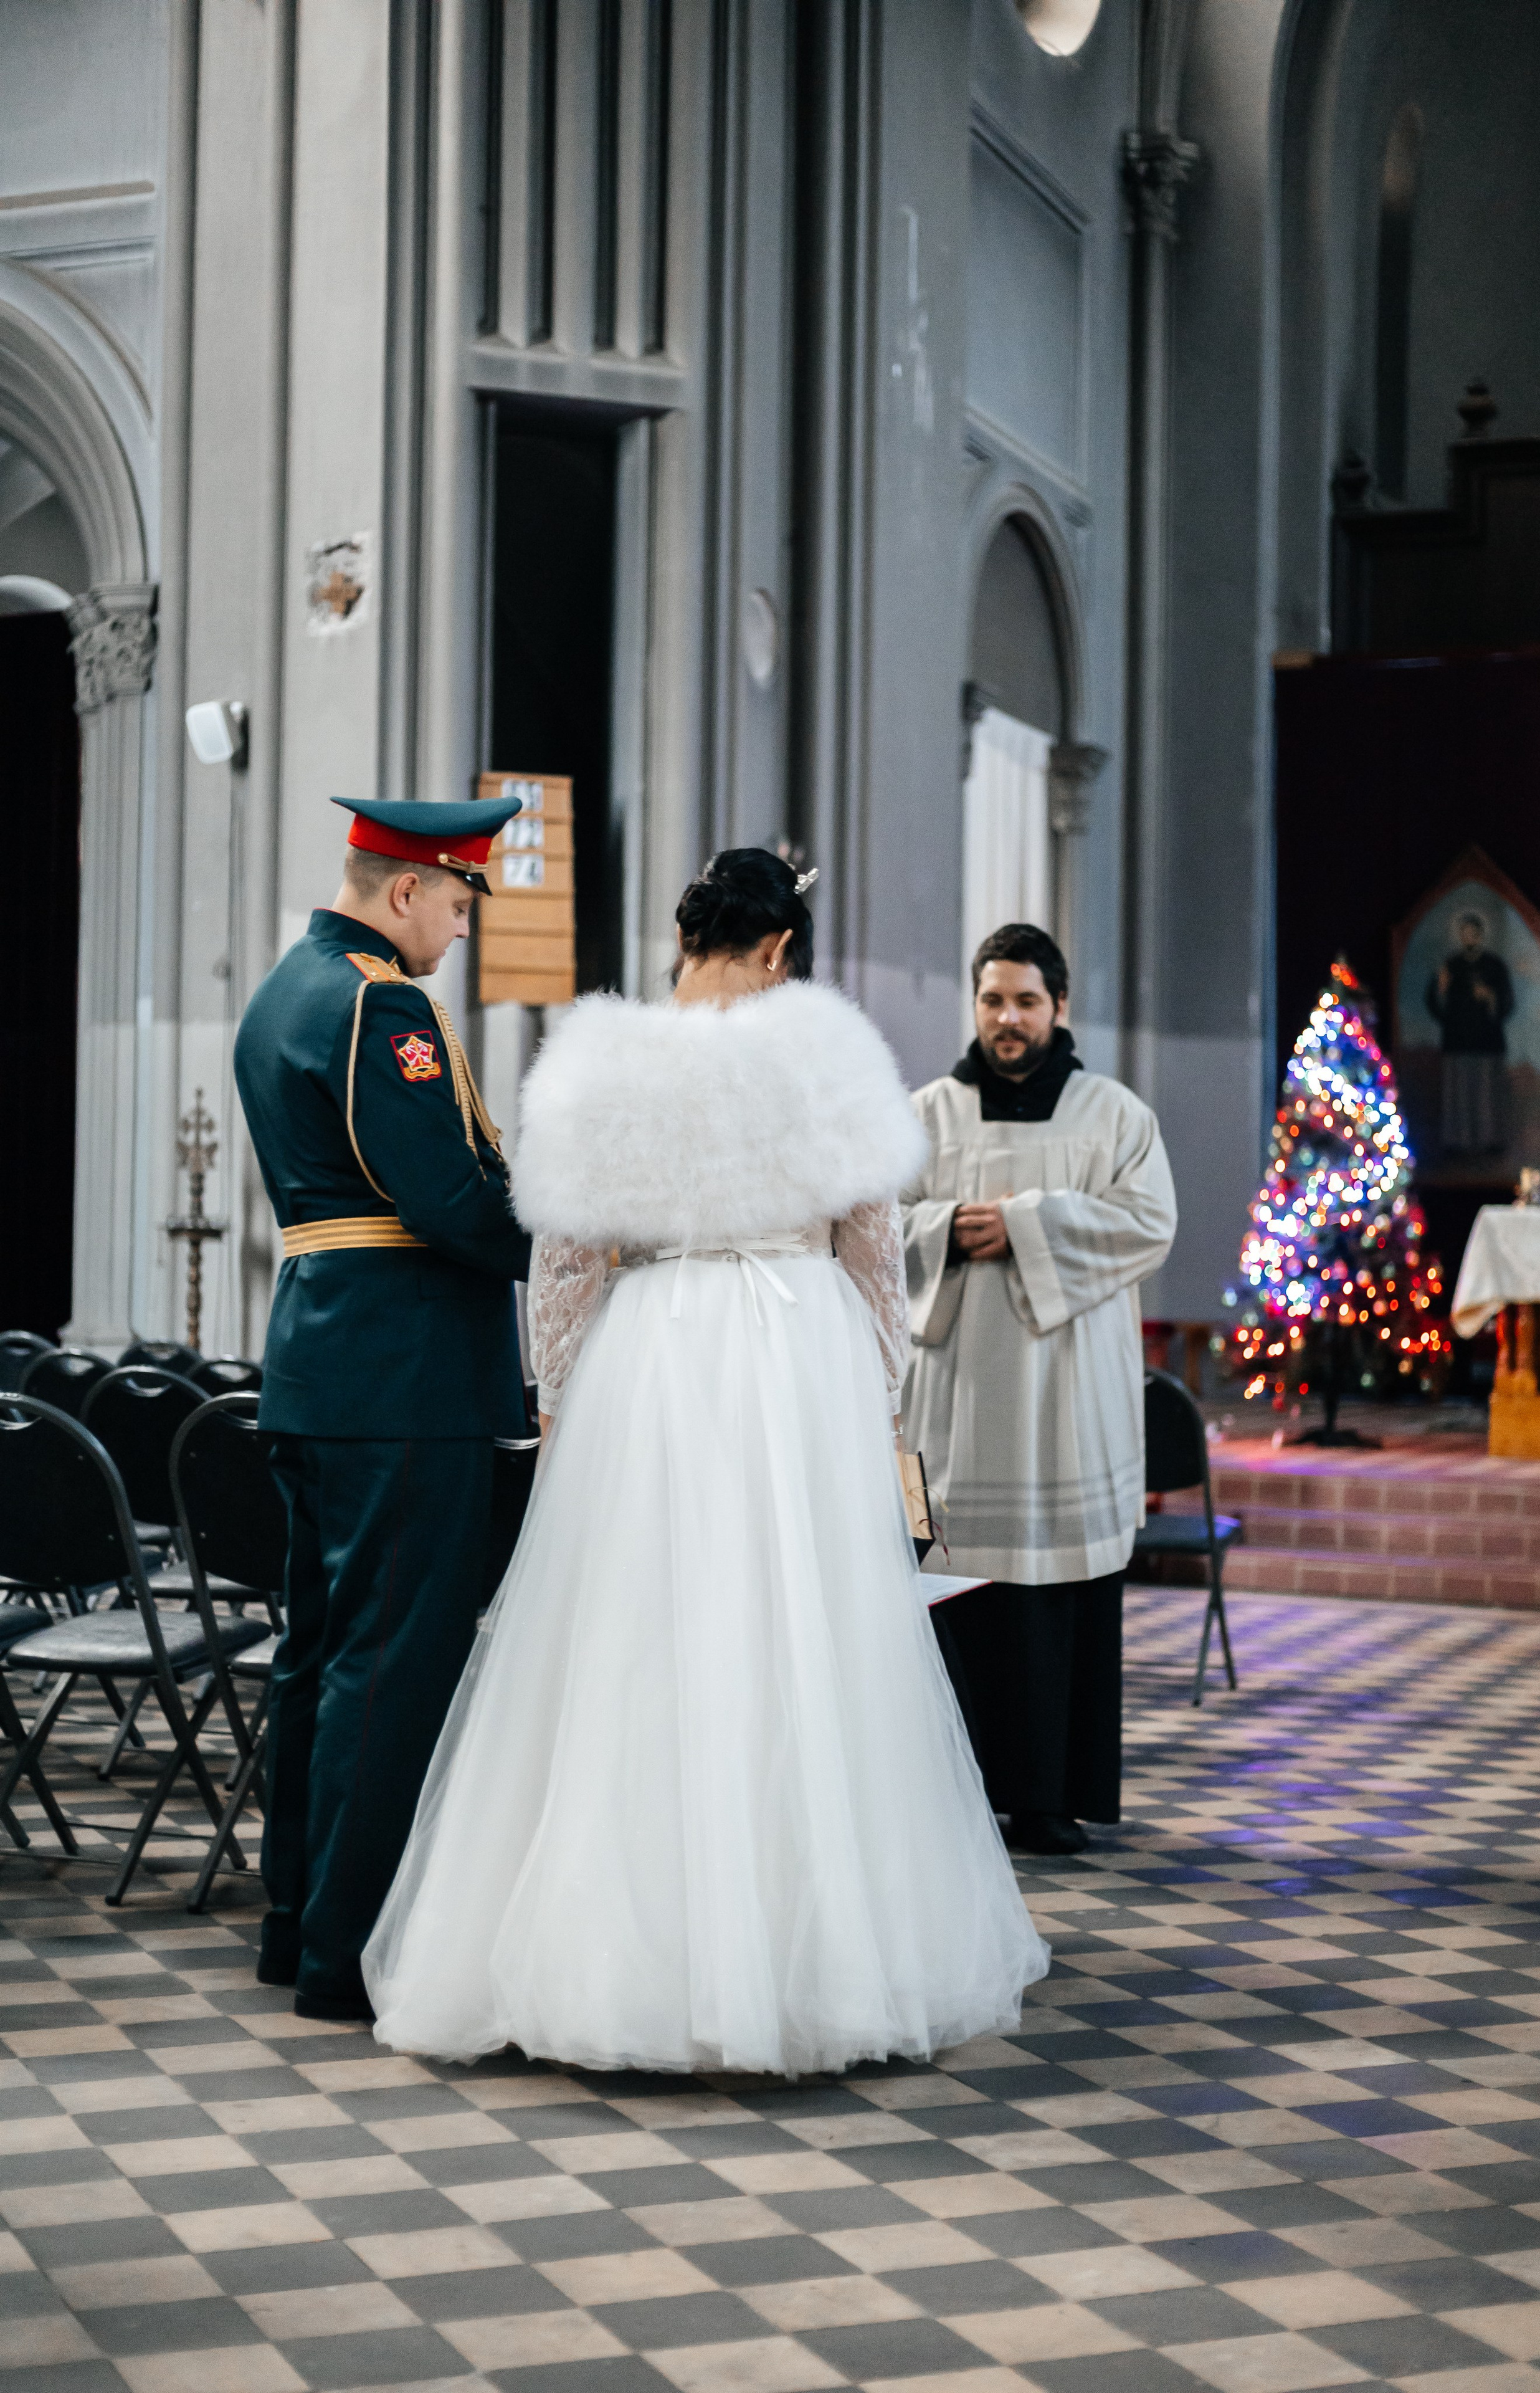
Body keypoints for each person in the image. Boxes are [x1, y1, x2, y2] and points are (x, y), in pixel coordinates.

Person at [365, 850, 1048, 2071]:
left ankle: (612, 1964)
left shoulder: (598, 1060)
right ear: (779, 949)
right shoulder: (830, 1054)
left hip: (655, 1356)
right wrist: (873, 1396)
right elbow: (872, 1255)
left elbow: (565, 1265)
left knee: (636, 1636)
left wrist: (568, 1401)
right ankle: (822, 1959)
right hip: (794, 1355)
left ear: (685, 938)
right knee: (801, 1644)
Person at [233, 793, 531, 2022]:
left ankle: (292, 1919)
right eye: (458, 903)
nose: (461, 929)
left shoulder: (279, 992)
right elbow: (451, 1204)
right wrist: (566, 1233)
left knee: (316, 1657)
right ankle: (342, 1956)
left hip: (319, 1365)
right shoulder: (381, 1004)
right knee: (388, 1667)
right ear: (404, 889)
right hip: (406, 1382)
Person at [900, 922, 1176, 1858]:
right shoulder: (924, 1116)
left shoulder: (1113, 1115)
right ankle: (948, 1797)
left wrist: (1024, 1223)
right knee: (956, 1594)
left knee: (1058, 1604)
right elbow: (866, 1231)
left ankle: (1050, 1800)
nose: (1008, 1019)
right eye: (992, 1000)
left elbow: (1150, 1224)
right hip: (955, 1405)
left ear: (1060, 1007)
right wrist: (941, 1229)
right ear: (973, 1006)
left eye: (1025, 1001)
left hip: (1067, 1405)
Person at [1425, 907, 1514, 1156]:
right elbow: (1434, 1005)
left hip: (1487, 1042)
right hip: (1457, 1041)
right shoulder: (1450, 966)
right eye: (1465, 934)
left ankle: (1490, 1142)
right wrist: (1440, 989)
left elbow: (1508, 1003)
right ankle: (1458, 1143)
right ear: (1460, 937)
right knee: (1458, 1094)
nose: (1469, 938)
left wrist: (1491, 997)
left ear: (1480, 936)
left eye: (1473, 934)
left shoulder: (1495, 966)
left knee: (1486, 1095)